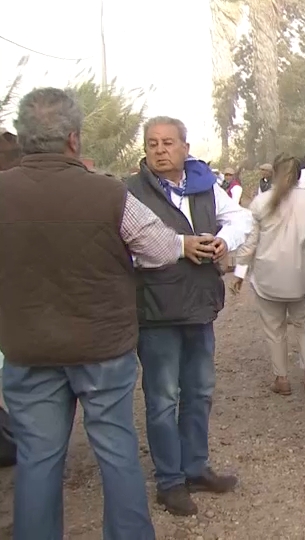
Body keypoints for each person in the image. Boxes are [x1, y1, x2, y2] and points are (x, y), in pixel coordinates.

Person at [0, 88, 206, 539]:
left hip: (26, 346)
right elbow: (158, 250)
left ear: (23, 137)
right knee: (115, 449)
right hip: (100, 346)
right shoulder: (110, 194)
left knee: (37, 455)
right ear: (74, 139)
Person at [125, 116, 253, 516]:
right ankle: (170, 481)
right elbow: (123, 247)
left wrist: (223, 240)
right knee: (163, 399)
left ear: (185, 147)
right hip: (156, 309)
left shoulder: (203, 185)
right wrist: (179, 246)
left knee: (199, 392)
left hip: (198, 305)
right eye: (152, 144)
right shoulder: (129, 192)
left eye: (167, 143)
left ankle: (195, 466)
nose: (160, 150)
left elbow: (240, 218)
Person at [231, 154, 305, 399]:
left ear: (274, 173)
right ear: (300, 174)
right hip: (304, 277)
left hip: (268, 278)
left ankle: (282, 379)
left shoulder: (260, 202)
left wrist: (240, 272)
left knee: (274, 329)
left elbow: (250, 243)